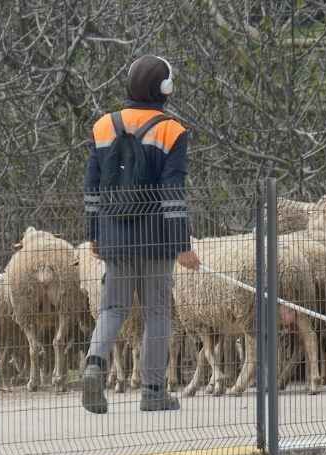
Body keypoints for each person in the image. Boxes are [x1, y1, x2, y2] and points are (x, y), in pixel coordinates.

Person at [82, 55, 200, 414]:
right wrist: (183, 245)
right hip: (158, 238)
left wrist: (95, 234)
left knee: (113, 308)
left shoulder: (102, 126)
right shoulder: (172, 130)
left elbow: (92, 187)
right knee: (158, 312)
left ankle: (93, 365)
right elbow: (172, 193)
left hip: (114, 233)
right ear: (164, 89)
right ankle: (153, 391)